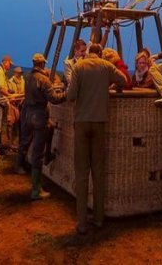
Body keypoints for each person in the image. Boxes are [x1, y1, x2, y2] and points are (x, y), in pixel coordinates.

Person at [66, 43, 126, 235]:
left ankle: (82, 222)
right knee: (98, 171)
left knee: (82, 173)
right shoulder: (106, 66)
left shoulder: (78, 67)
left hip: (82, 123)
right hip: (100, 123)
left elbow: (71, 95)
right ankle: (99, 218)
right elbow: (124, 80)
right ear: (100, 54)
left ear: (88, 52)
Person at [21, 53, 66, 200]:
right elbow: (54, 99)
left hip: (28, 115)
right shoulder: (44, 80)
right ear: (42, 64)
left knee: (50, 127)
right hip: (39, 116)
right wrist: (67, 94)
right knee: (37, 153)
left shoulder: (28, 77)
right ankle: (36, 190)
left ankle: (46, 158)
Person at [6, 66, 25, 150]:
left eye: (21, 73)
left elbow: (23, 92)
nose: (20, 74)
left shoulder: (23, 81)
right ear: (15, 73)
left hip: (20, 105)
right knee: (10, 124)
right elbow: (9, 93)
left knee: (18, 125)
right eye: (18, 73)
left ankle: (16, 143)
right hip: (12, 105)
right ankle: (9, 143)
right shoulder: (10, 82)